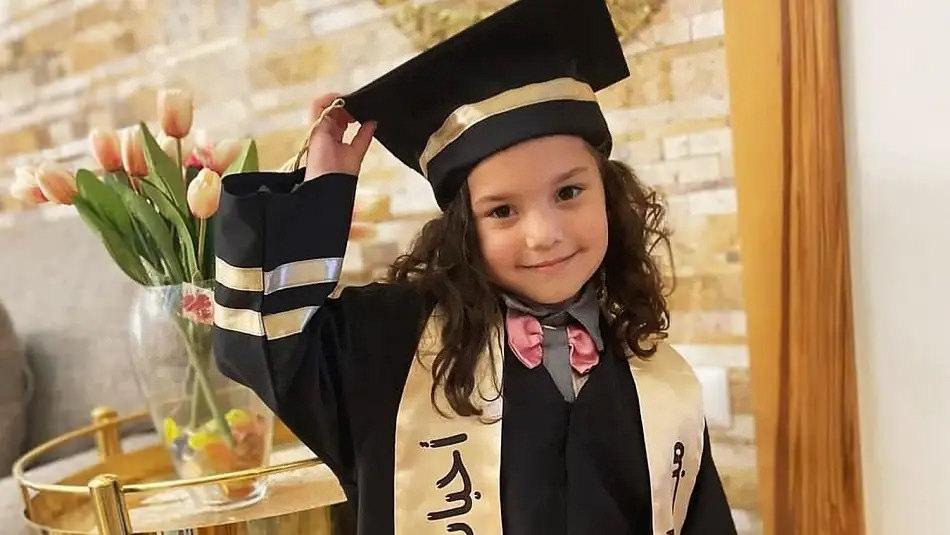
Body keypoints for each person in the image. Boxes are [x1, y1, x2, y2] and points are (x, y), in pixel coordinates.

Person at [212, 0, 737, 533]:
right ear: (464, 229)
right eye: (502, 211)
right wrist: (320, 194)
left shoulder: (656, 378)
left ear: (609, 194)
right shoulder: (389, 349)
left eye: (569, 192)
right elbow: (259, 342)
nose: (544, 234)